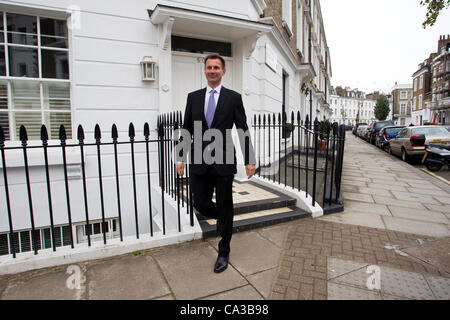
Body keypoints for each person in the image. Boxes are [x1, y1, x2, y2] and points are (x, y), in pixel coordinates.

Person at [176, 54, 256, 273]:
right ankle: (224, 218)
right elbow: (186, 129)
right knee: (200, 203)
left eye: (216, 67)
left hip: (223, 160)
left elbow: (242, 129)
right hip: (200, 161)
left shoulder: (233, 98)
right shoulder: (193, 97)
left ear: (223, 71)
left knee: (225, 201)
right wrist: (180, 157)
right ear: (205, 71)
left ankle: (224, 252)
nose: (212, 70)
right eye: (209, 67)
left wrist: (249, 160)